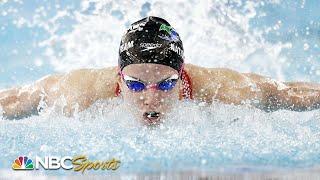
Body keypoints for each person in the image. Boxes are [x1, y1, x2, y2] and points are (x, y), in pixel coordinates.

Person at [1, 16, 320, 124]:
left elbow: (285, 92)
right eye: (137, 85)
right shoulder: (78, 91)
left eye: (165, 86)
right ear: (119, 78)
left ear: (181, 78)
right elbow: (15, 99)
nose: (150, 98)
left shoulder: (223, 88)